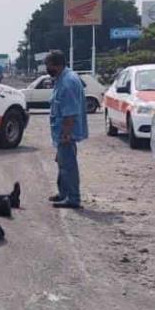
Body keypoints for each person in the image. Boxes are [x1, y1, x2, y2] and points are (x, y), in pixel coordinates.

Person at [45, 50, 87, 209]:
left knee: (69, 166)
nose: (47, 69)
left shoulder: (68, 82)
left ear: (56, 64)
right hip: (61, 132)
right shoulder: (63, 78)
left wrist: (65, 134)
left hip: (66, 133)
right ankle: (64, 193)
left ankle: (73, 198)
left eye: (48, 65)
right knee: (62, 164)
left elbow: (70, 113)